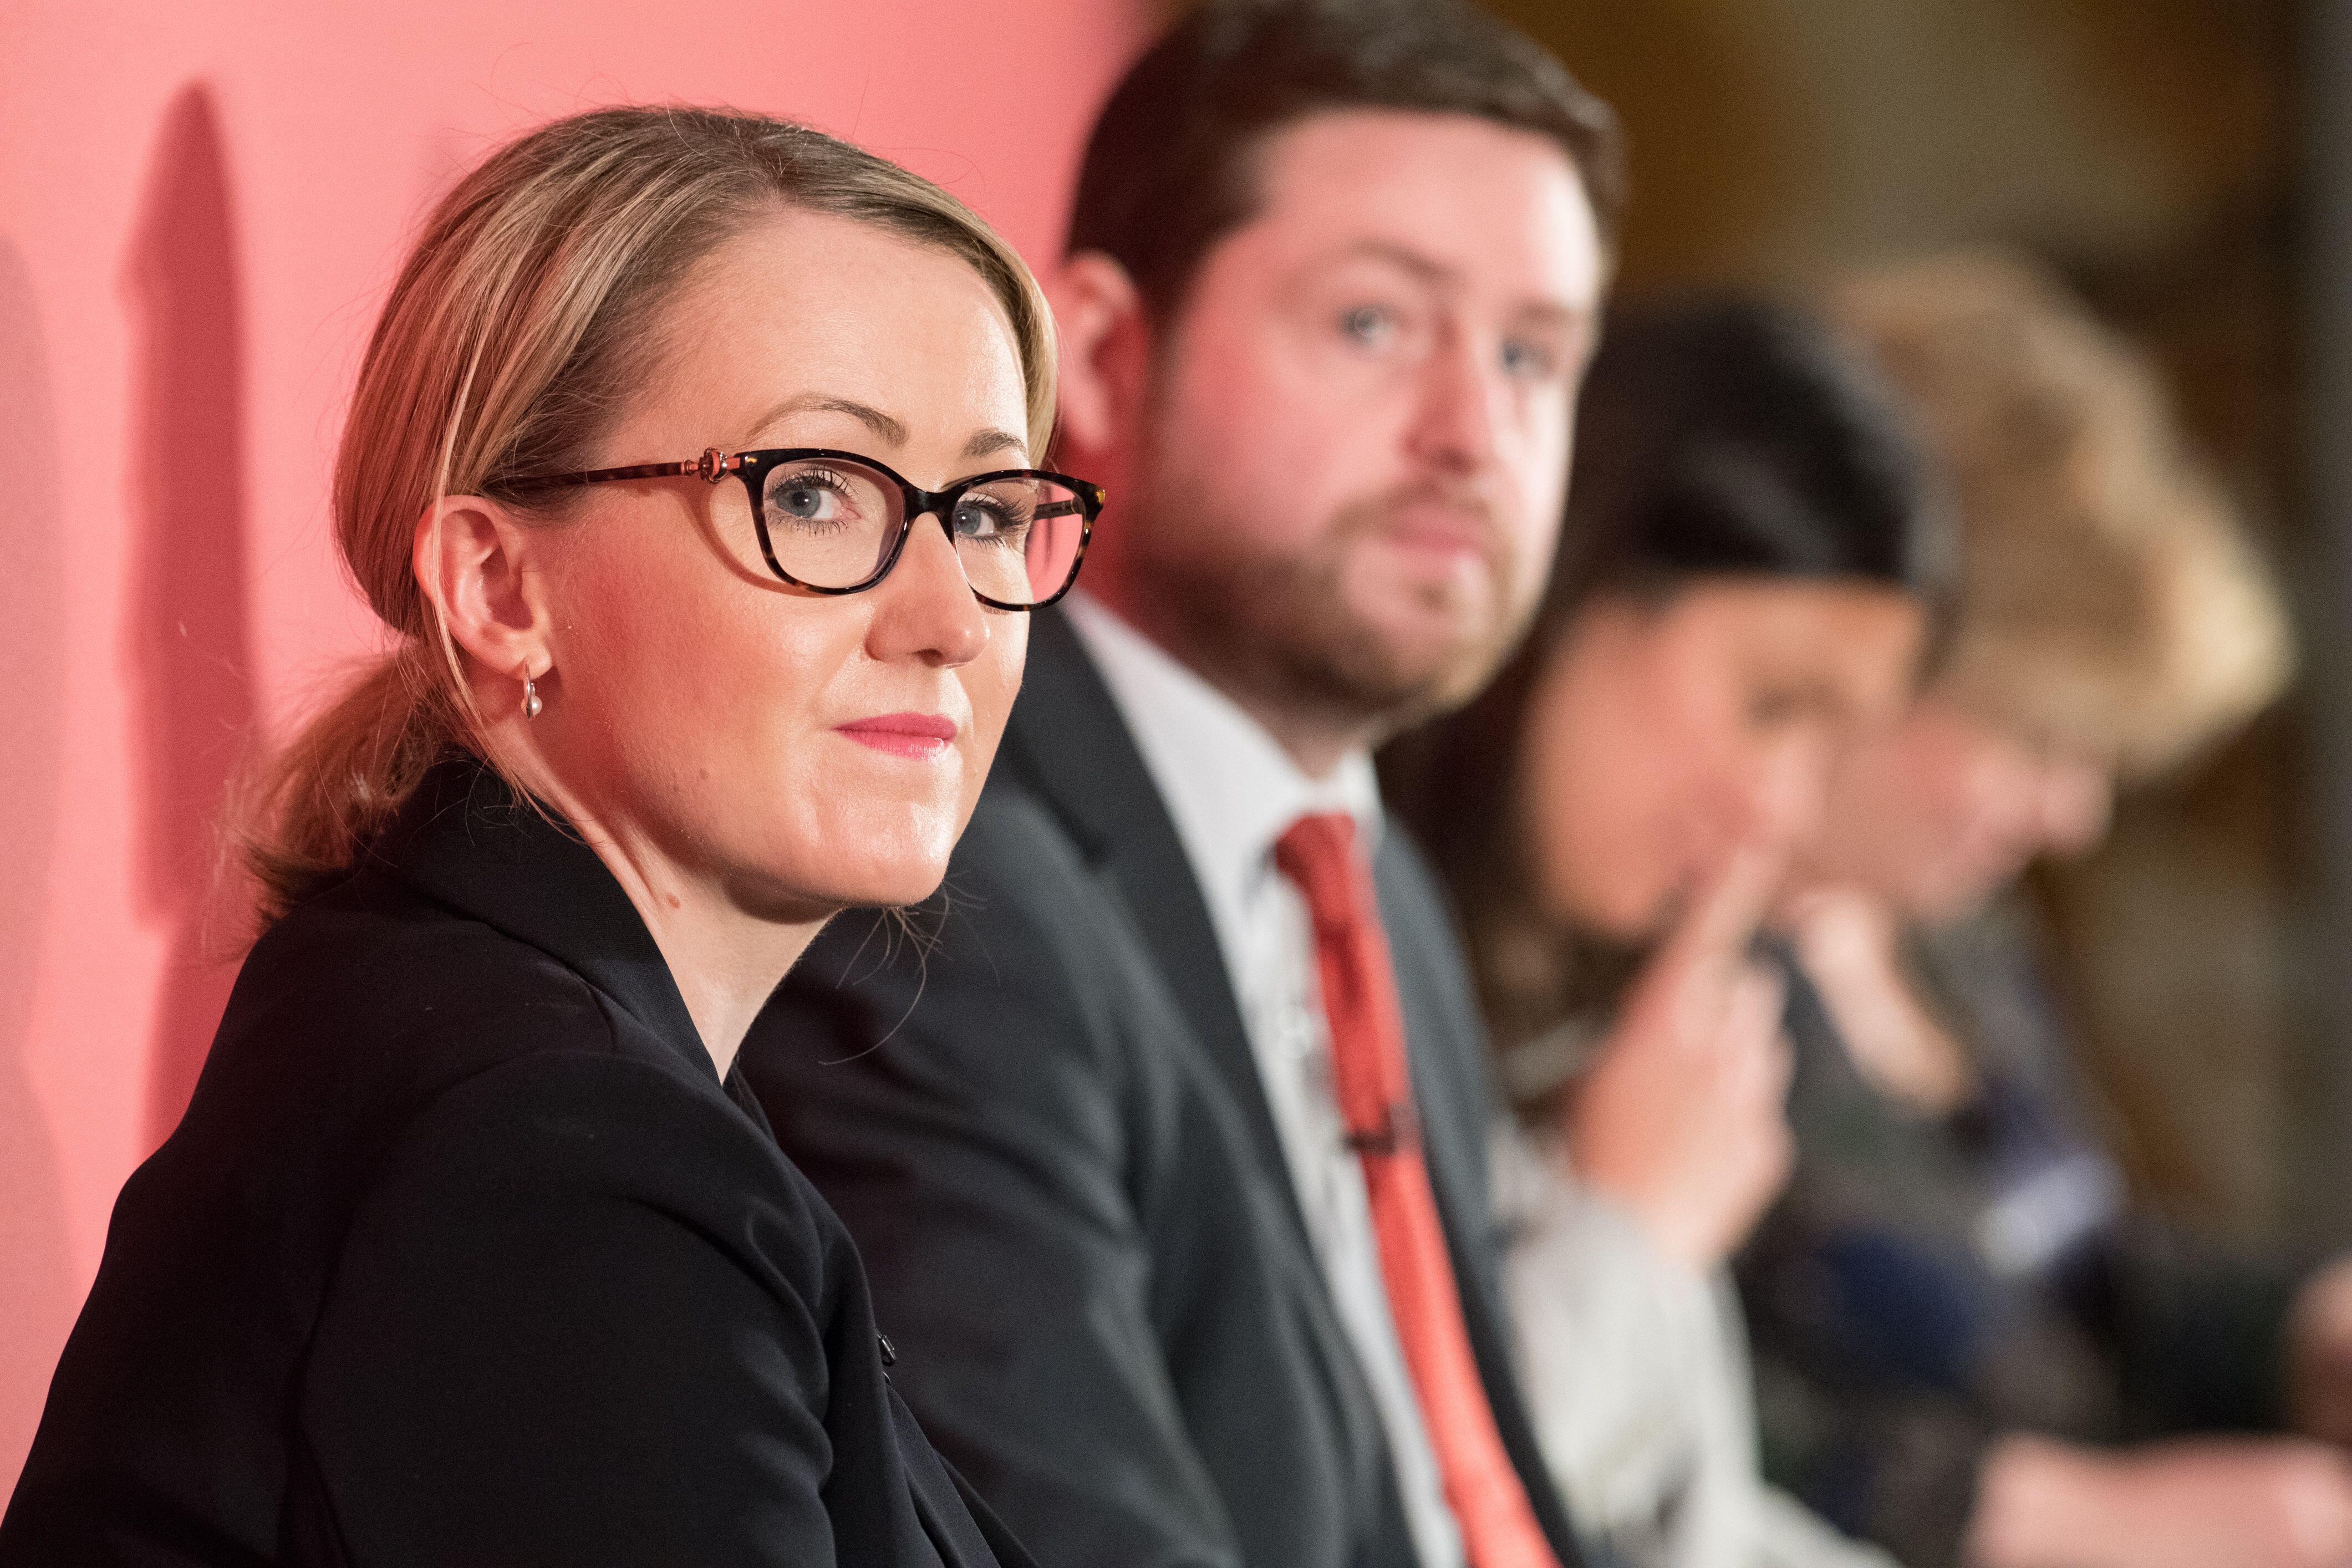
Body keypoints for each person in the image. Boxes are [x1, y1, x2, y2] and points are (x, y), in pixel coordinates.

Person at [0, 104, 1102, 1567]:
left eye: (983, 508)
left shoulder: (509, 1056)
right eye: (819, 494)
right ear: (499, 585)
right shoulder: (547, 1158)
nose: (954, 618)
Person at [740, 4, 1620, 1566]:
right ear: (1101, 353)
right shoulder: (944, 883)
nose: (1472, 434)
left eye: (1531, 356)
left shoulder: (1377, 885)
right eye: (1373, 324)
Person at [1742, 252, 2348, 1568]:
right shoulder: (1619, 981)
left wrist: (2303, 1329)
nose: (2071, 819)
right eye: (2032, 737)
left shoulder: (1954, 937)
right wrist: (2058, 1523)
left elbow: (2071, 1292)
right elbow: (1646, 1435)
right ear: (1849, 650)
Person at [1381, 298, 1950, 1568]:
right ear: (1571, 579)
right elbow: (1385, 1529)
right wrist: (1631, 1228)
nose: (1779, 808)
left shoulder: (1592, 1018)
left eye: (1829, 745)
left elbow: (1700, 1526)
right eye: (1770, 703)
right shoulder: (1322, 975)